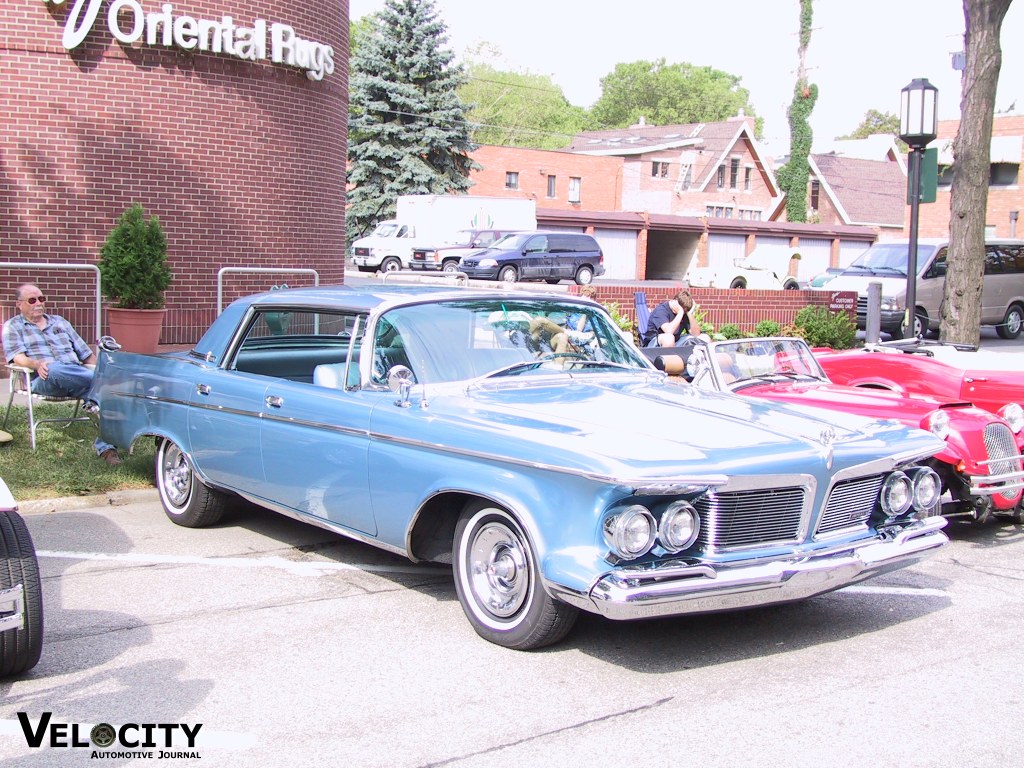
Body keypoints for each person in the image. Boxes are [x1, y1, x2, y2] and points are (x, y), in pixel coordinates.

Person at [2, 284, 121, 464]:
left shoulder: (60, 322)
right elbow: (18, 357)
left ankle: (107, 448)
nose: (39, 303)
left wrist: (101, 369)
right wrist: (37, 364)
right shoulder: (13, 326)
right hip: (43, 378)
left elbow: (86, 355)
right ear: (19, 304)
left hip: (76, 376)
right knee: (57, 369)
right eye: (32, 300)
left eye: (41, 299)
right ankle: (105, 381)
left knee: (104, 394)